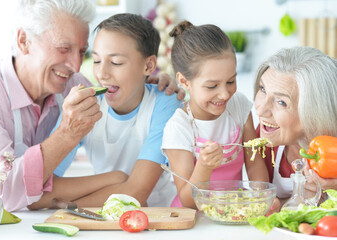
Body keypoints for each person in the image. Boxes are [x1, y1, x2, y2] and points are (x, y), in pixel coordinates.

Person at [0, 0, 182, 212]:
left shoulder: (77, 87)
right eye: (64, 48)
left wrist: (150, 80)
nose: (76, 66)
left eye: (83, 52)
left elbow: (136, 191)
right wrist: (115, 179)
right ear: (24, 41)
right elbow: (10, 191)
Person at [31, 13, 181, 209]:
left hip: (155, 216)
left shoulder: (165, 103)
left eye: (116, 62)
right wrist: (114, 179)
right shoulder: (84, 105)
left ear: (149, 65)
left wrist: (68, 206)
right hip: (98, 218)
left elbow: (136, 193)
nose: (102, 74)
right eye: (96, 60)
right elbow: (35, 193)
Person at [161, 21, 269, 208]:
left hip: (234, 211)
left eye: (231, 81)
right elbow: (187, 200)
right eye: (212, 86)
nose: (225, 94)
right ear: (184, 81)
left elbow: (255, 163)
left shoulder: (238, 106)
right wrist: (204, 166)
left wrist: (261, 199)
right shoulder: (179, 127)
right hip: (195, 220)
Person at [253, 46, 337, 212]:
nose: (260, 110)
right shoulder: (267, 137)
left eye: (281, 102)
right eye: (262, 89)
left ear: (315, 113)